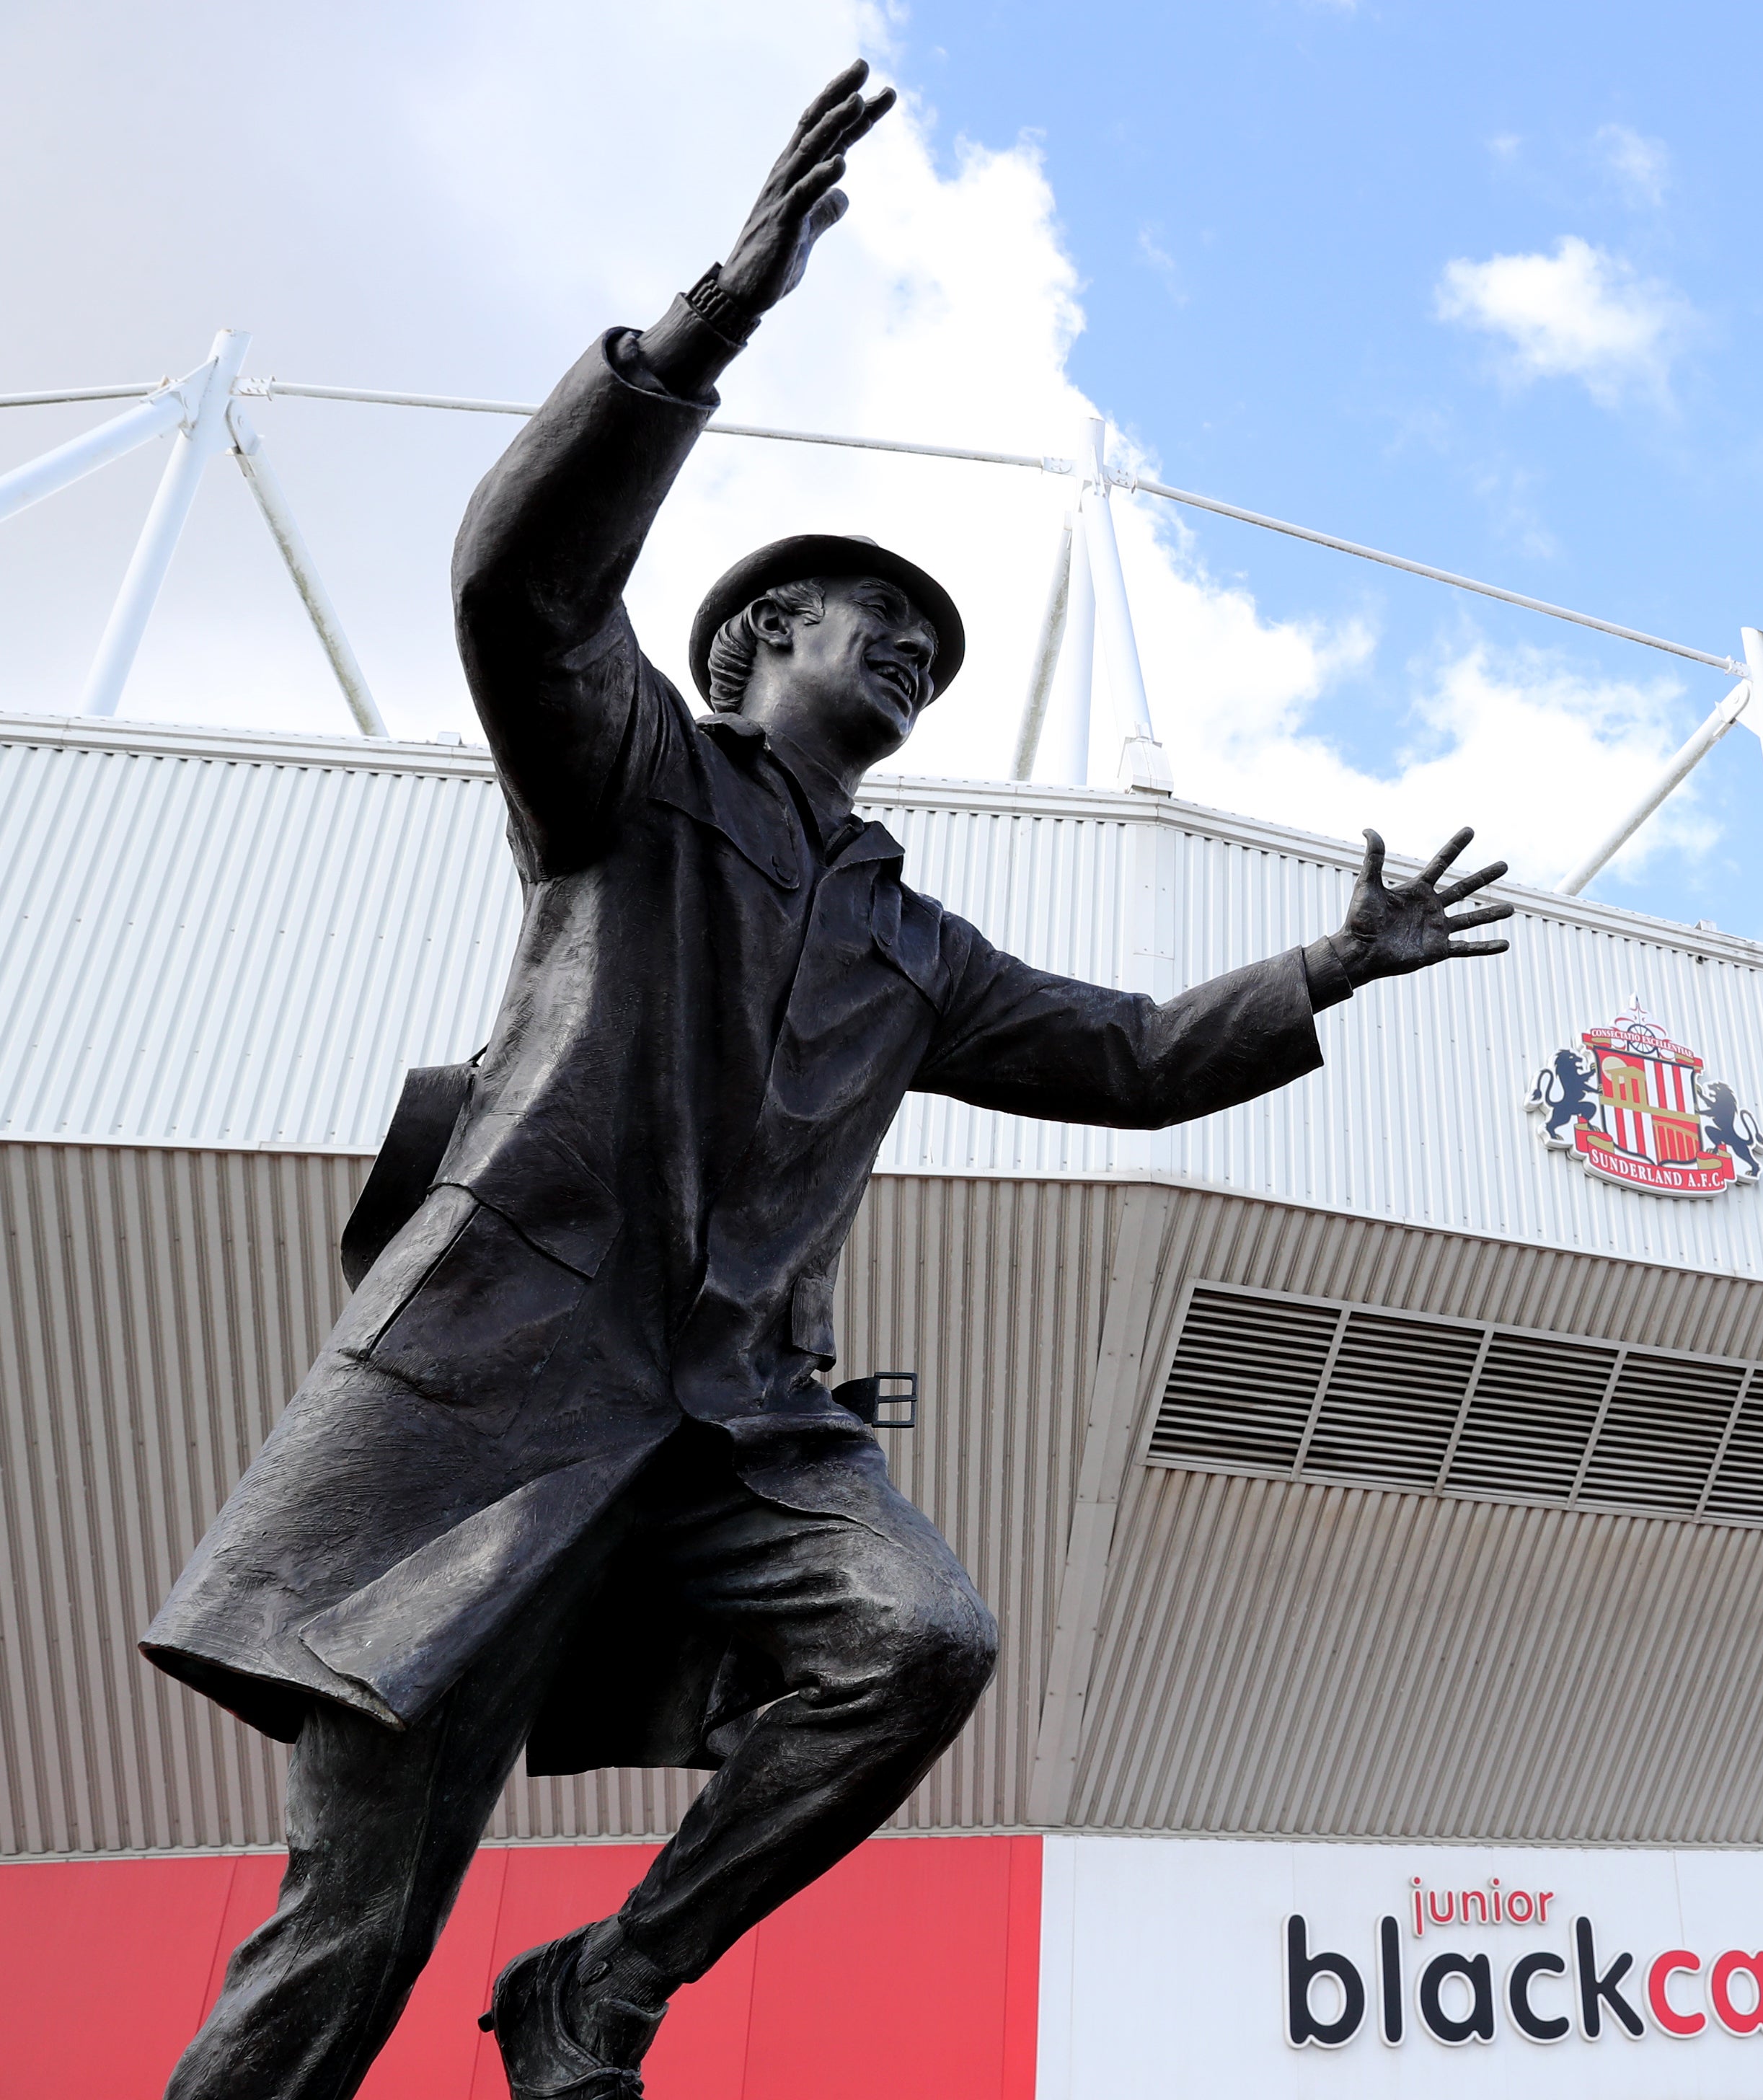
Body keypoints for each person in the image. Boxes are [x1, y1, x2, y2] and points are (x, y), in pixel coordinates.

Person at [141, 63, 1512, 2100]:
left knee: (919, 1639)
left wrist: (1328, 965)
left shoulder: (909, 939)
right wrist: (704, 329)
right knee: (348, 1924)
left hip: (738, 1438)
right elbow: (519, 592)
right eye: (886, 628)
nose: (915, 663)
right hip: (499, 1408)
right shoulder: (631, 780)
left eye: (937, 661)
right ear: (762, 634)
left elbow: (1127, 1062)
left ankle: (604, 1980)